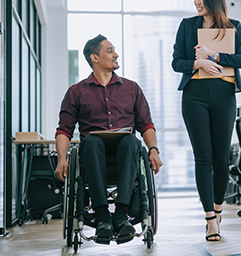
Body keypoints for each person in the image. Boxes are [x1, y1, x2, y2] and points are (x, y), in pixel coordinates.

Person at [54, 34, 163, 243]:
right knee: (92, 141)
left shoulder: (132, 88)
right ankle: (102, 215)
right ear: (95, 58)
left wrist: (153, 150)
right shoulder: (76, 92)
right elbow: (64, 130)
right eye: (110, 50)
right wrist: (62, 158)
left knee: (131, 140)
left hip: (126, 154)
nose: (116, 55)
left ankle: (121, 215)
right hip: (93, 156)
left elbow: (146, 124)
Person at [171, 0, 241, 241]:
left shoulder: (233, 27)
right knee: (203, 157)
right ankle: (209, 220)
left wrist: (214, 55)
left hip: (224, 94)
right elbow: (176, 62)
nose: (197, 2)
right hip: (194, 95)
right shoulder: (187, 26)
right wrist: (199, 62)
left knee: (221, 159)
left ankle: (218, 210)